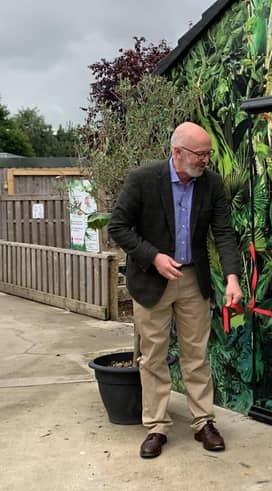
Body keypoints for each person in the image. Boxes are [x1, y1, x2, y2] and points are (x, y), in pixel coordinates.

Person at [108, 122, 242, 459]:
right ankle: (156, 426)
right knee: (153, 355)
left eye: (208, 154)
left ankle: (203, 422)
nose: (205, 161)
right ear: (177, 152)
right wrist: (152, 257)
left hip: (192, 279)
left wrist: (231, 277)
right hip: (153, 279)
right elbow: (118, 227)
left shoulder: (211, 184)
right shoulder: (143, 180)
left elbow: (223, 232)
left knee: (196, 353)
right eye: (200, 154)